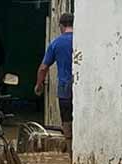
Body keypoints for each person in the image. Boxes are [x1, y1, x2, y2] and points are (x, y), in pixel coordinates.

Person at [35, 12, 73, 156]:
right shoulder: (82, 41)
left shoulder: (56, 43)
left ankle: (70, 154)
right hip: (82, 88)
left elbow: (43, 68)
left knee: (67, 121)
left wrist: (39, 85)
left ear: (61, 26)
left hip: (64, 88)